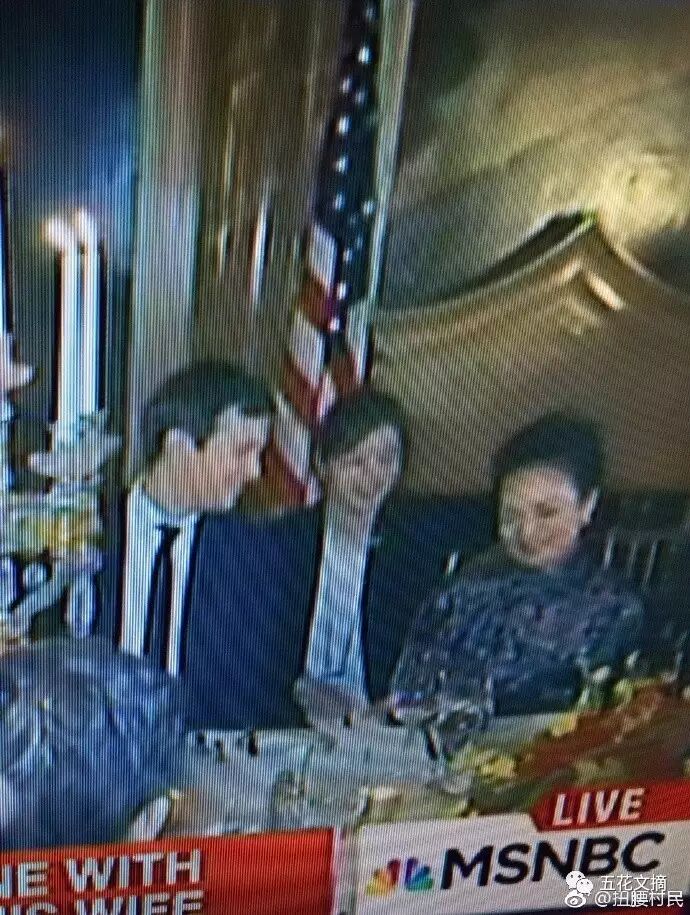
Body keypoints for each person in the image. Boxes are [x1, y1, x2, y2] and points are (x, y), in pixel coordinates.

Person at [182, 388, 491, 730]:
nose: (372, 476)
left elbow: (500, 513)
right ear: (323, 464)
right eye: (355, 462)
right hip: (288, 723)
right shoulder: (283, 541)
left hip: (382, 724)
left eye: (386, 459)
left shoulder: (417, 535)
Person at [389, 413, 644, 744]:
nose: (527, 533)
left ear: (587, 506)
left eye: (546, 513)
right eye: (511, 515)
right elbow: (409, 695)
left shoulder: (617, 610)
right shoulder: (461, 593)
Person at [96, 361, 272, 677]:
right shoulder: (90, 533)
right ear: (178, 445)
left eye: (258, 454)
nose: (254, 471)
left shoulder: (245, 558)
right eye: (241, 451)